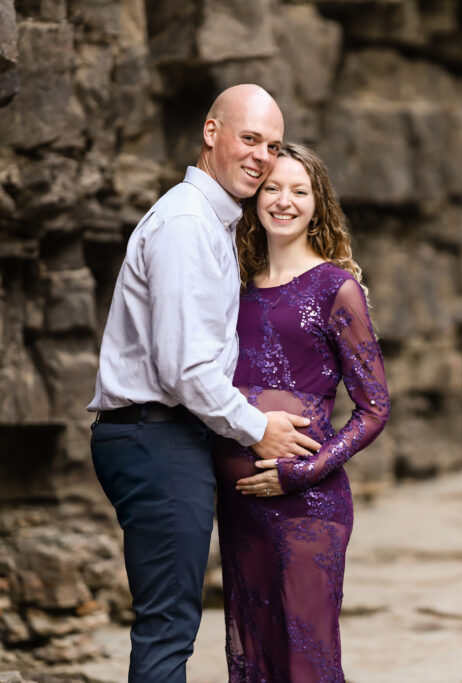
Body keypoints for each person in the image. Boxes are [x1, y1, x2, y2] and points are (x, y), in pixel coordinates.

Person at [87, 85, 322, 683]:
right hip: (155, 437)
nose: (262, 157)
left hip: (167, 438)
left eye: (272, 145)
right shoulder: (187, 225)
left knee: (172, 621)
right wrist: (257, 428)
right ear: (211, 132)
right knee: (168, 627)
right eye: (249, 139)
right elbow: (183, 368)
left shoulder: (214, 224)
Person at [212, 142, 390, 682]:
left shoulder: (337, 288)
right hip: (242, 507)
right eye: (272, 188)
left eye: (299, 190)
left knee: (307, 661)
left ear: (318, 204)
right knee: (258, 655)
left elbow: (374, 408)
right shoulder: (232, 285)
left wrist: (302, 472)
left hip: (309, 504)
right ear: (255, 197)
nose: (283, 201)